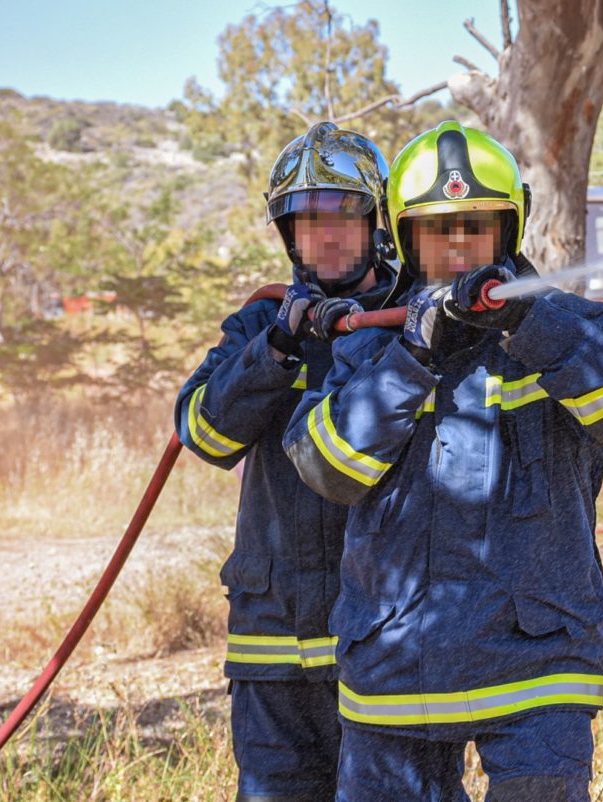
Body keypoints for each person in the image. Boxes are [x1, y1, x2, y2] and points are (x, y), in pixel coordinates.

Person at [282, 120, 603, 802]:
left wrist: (530, 324)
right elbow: (325, 470)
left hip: (537, 665)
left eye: (475, 225)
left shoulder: (570, 325)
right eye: (439, 229)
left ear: (508, 231)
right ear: (405, 239)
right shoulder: (370, 350)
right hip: (395, 673)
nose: (459, 246)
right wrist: (412, 358)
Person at [175, 121, 403, 802]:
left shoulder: (410, 321)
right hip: (272, 646)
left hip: (382, 643)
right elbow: (204, 435)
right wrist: (274, 352)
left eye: (343, 216)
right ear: (288, 234)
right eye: (307, 222)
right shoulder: (259, 327)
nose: (326, 236)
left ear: (375, 223)